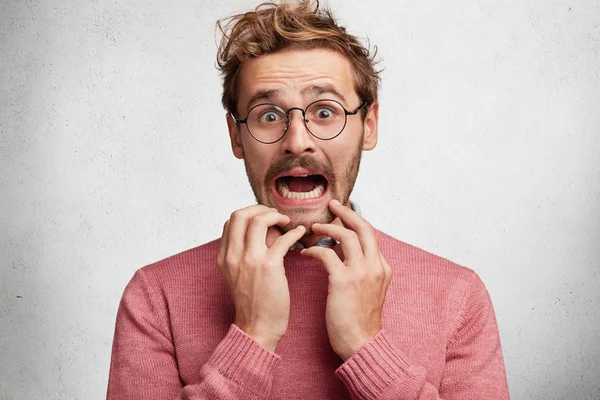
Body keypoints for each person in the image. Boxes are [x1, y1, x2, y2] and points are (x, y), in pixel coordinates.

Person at [107, 1, 510, 398]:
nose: (297, 141)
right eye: (268, 115)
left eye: (324, 112)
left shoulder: (457, 295)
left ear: (368, 127)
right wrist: (253, 336)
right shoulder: (154, 297)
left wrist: (366, 347)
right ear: (236, 137)